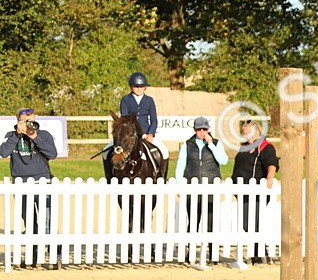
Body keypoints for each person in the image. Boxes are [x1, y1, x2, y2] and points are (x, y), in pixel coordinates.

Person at [0, 108, 59, 267]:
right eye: (24, 121)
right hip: (21, 183)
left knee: (48, 221)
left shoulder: (44, 135)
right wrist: (17, 135)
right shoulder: (11, 136)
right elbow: (4, 153)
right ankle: (33, 256)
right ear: (17, 121)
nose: (28, 124)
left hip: (42, 181)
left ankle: (54, 254)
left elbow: (52, 154)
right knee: (30, 222)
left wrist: (34, 136)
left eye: (30, 120)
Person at [174, 116, 228, 262]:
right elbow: (180, 165)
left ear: (208, 130)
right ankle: (190, 252)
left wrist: (211, 145)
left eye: (204, 129)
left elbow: (223, 160)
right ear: (195, 130)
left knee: (211, 222)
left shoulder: (217, 143)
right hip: (192, 187)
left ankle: (213, 254)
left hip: (211, 186)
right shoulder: (187, 144)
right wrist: (180, 185)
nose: (202, 132)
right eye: (199, 129)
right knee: (193, 221)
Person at [231, 120, 279, 264]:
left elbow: (272, 163)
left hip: (257, 192)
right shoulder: (244, 147)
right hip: (243, 191)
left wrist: (270, 176)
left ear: (256, 131)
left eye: (248, 132)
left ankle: (259, 254)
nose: (245, 135)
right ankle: (259, 252)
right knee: (248, 224)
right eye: (244, 132)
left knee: (253, 223)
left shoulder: (265, 147)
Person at [118, 72, 169, 164]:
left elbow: (154, 120)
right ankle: (110, 174)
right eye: (136, 86)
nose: (138, 89)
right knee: (107, 151)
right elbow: (124, 119)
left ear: (145, 87)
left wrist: (151, 134)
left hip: (146, 134)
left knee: (164, 151)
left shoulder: (149, 100)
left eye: (141, 87)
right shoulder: (125, 99)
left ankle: (161, 175)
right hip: (130, 135)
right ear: (131, 87)